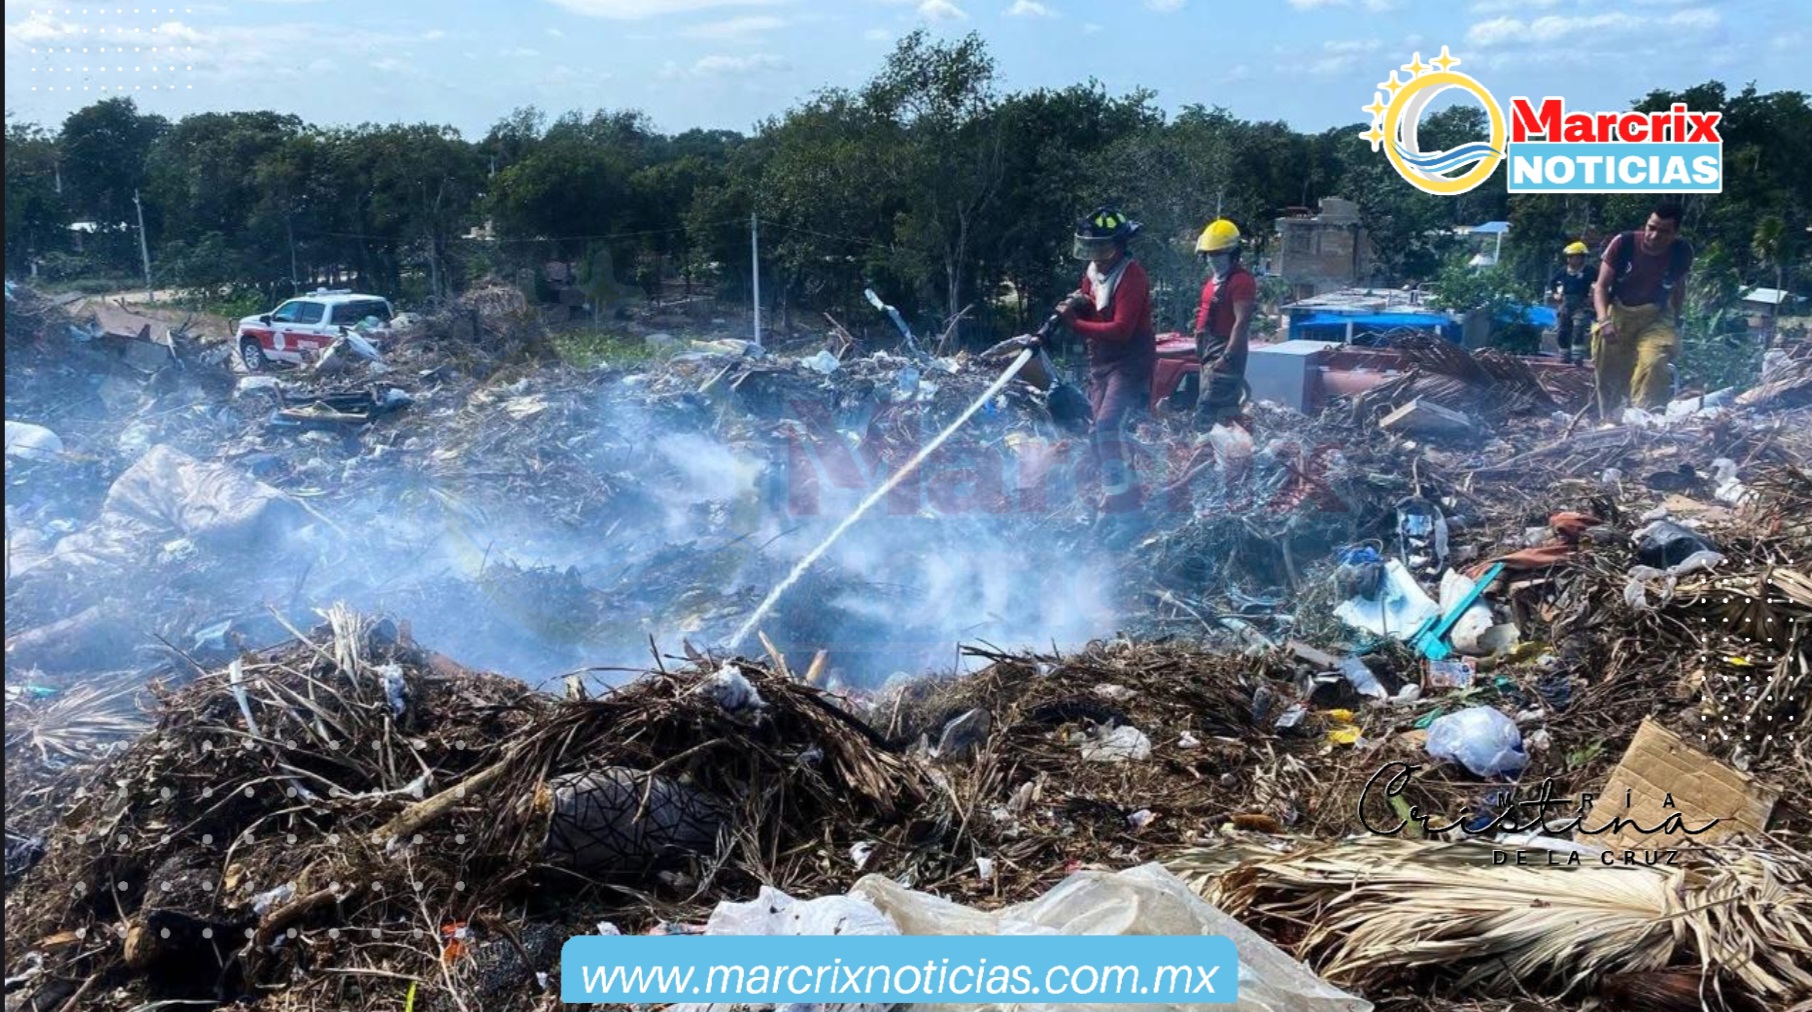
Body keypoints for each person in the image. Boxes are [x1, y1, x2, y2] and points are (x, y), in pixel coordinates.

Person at [1054, 206, 1157, 527]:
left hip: (1129, 361)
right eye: (1091, 247)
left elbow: (1121, 329)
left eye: (1102, 246)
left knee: (1106, 427)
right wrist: (1075, 306)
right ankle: (1120, 493)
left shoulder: (1132, 276)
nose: (1095, 254)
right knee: (1096, 435)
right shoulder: (1092, 272)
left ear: (1119, 244)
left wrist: (1075, 324)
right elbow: (1088, 300)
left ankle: (1128, 511)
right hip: (1099, 361)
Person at [1592, 202, 1694, 415]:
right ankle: (1609, 418)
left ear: (1675, 233)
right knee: (1608, 372)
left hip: (1656, 316)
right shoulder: (1624, 243)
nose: (1654, 235)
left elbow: (1678, 287)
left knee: (1654, 363)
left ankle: (1645, 418)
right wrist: (1604, 321)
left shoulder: (1681, 252)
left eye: (1664, 232)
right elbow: (1601, 286)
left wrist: (1676, 320)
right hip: (1618, 313)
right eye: (1651, 227)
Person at [1191, 219, 1258, 425]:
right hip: (1209, 349)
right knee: (1209, 404)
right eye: (1210, 254)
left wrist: (1227, 357)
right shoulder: (1214, 280)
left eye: (1219, 253)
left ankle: (1208, 451)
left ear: (1232, 253)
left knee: (1209, 412)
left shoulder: (1241, 281)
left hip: (1224, 349)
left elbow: (1241, 323)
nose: (1214, 259)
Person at [1548, 240, 1594, 366]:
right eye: (1568, 257)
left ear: (1580, 257)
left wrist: (1594, 294)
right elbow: (1552, 281)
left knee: (1578, 329)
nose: (1569, 260)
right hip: (1566, 304)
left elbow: (1601, 282)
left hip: (1581, 305)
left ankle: (1577, 358)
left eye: (1572, 257)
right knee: (1562, 331)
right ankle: (1564, 356)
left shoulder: (1589, 271)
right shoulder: (1563, 271)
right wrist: (1555, 293)